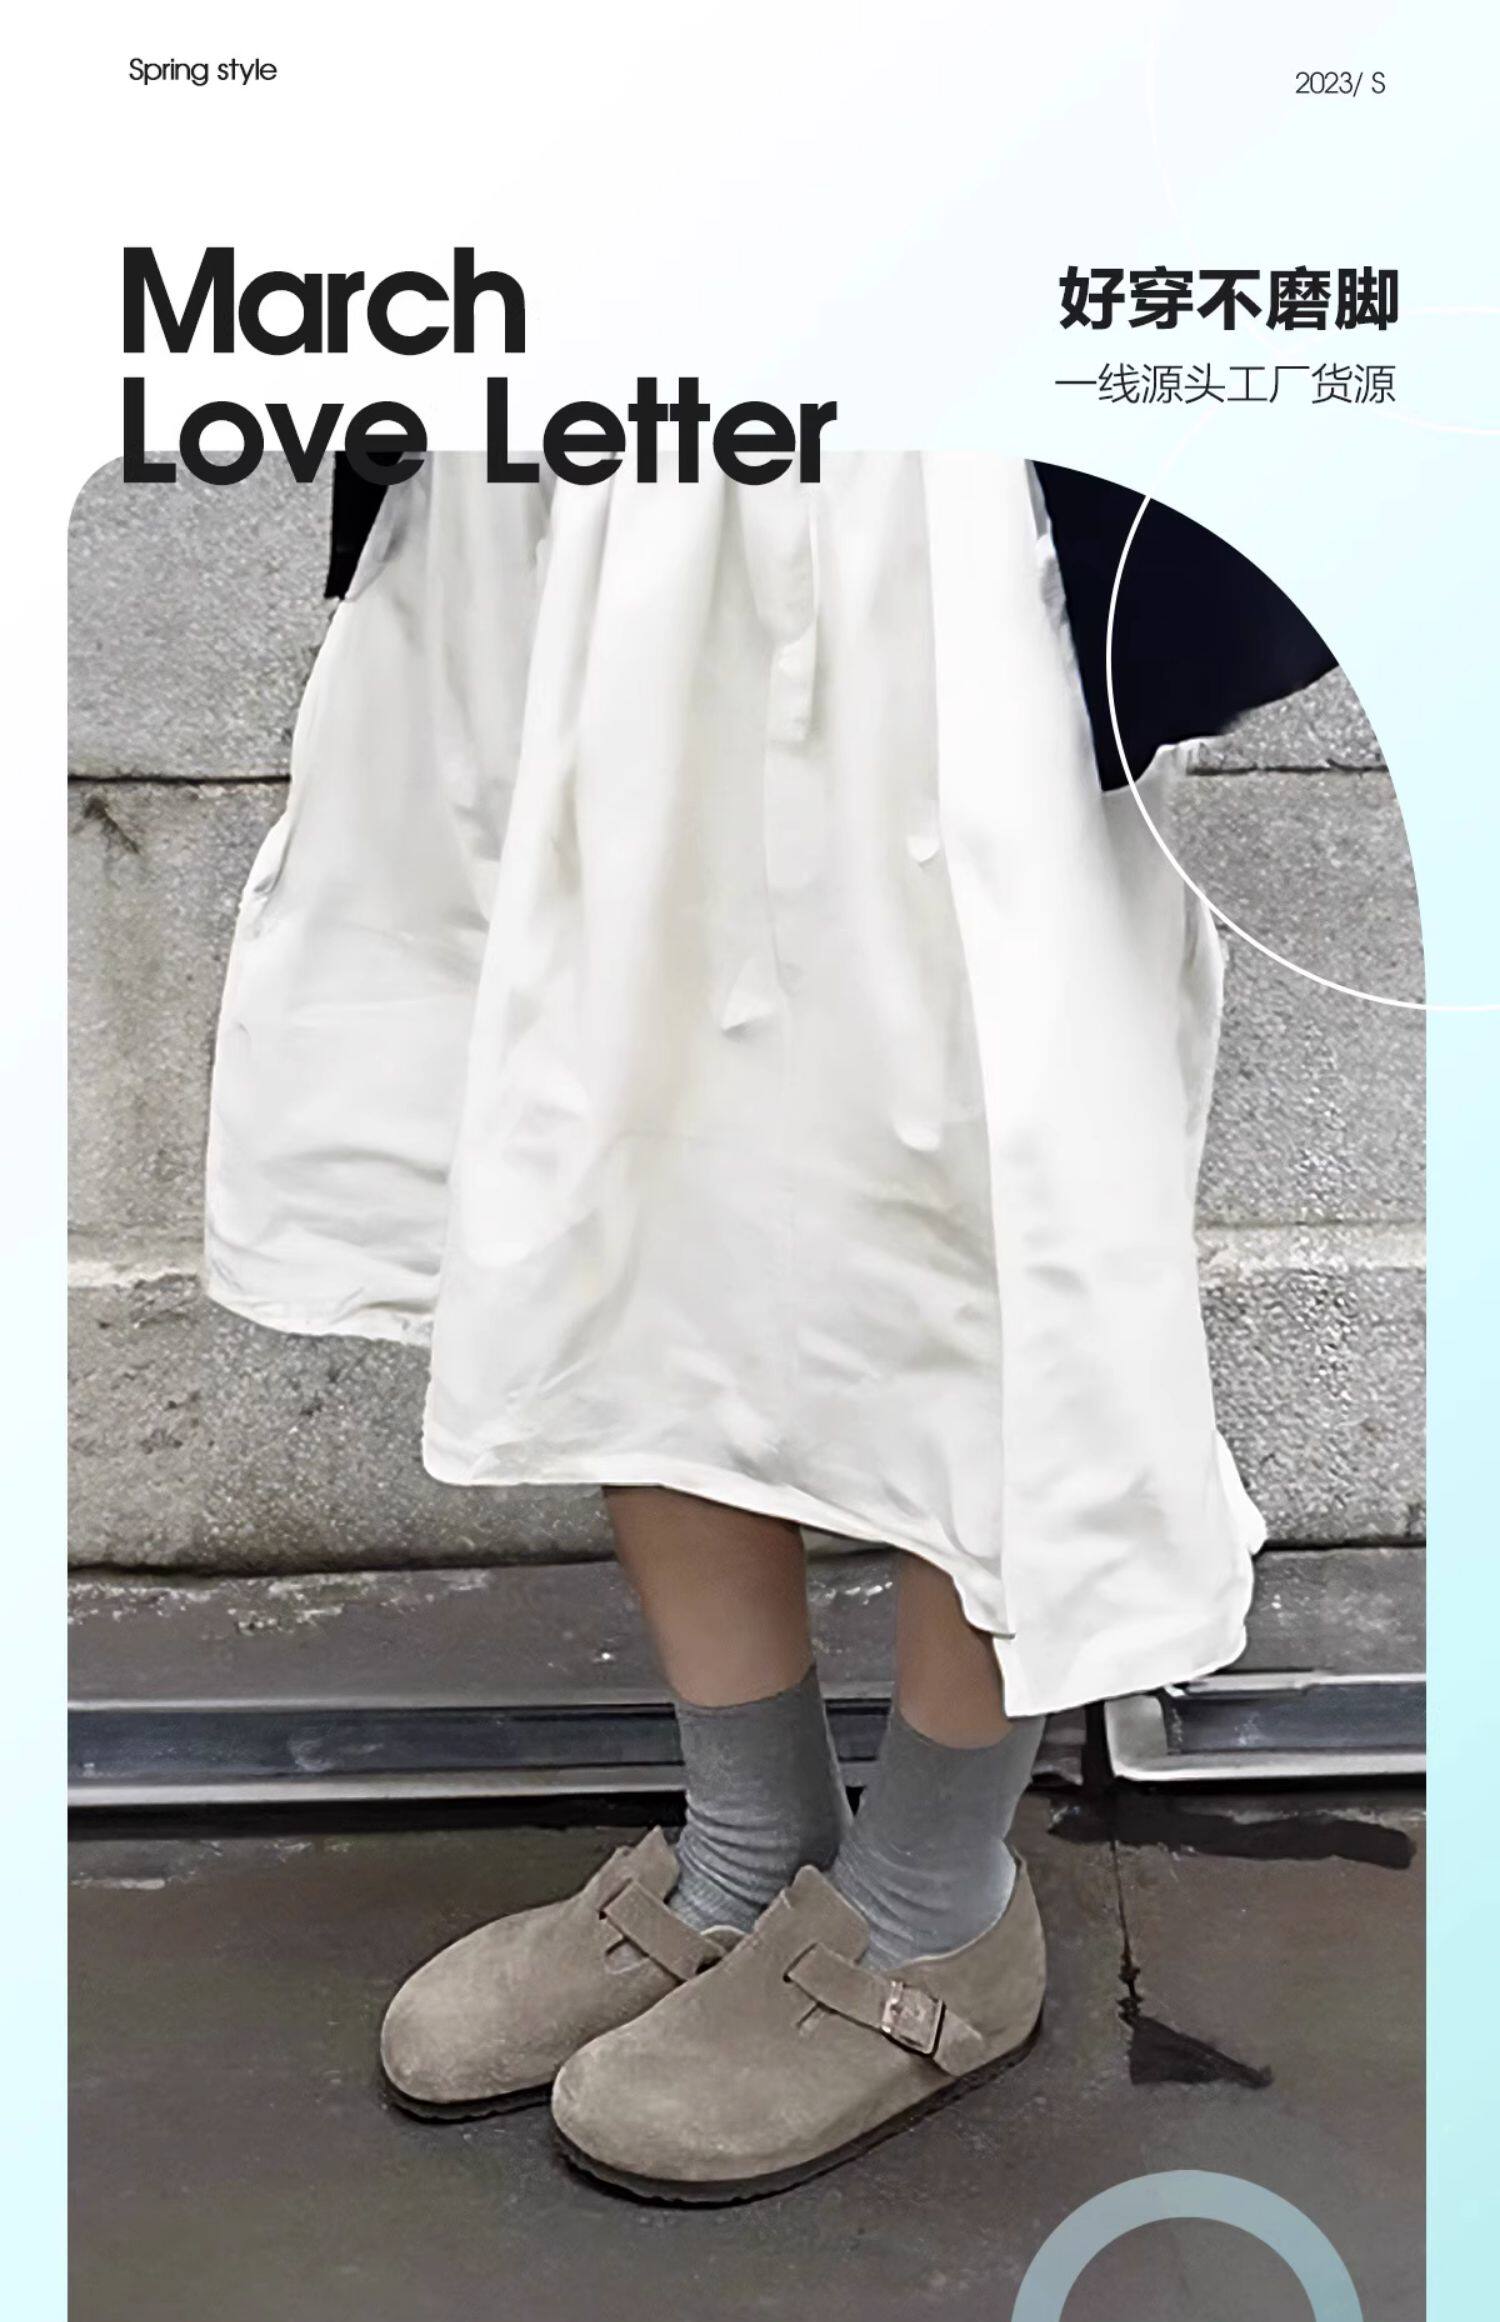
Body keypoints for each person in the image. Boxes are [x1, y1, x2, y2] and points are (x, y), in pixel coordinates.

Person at [203, 451, 1329, 2200]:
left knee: (982, 1195)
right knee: (622, 1158)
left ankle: (937, 1903)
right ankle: (749, 1844)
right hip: (597, 453)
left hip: (935, 485)